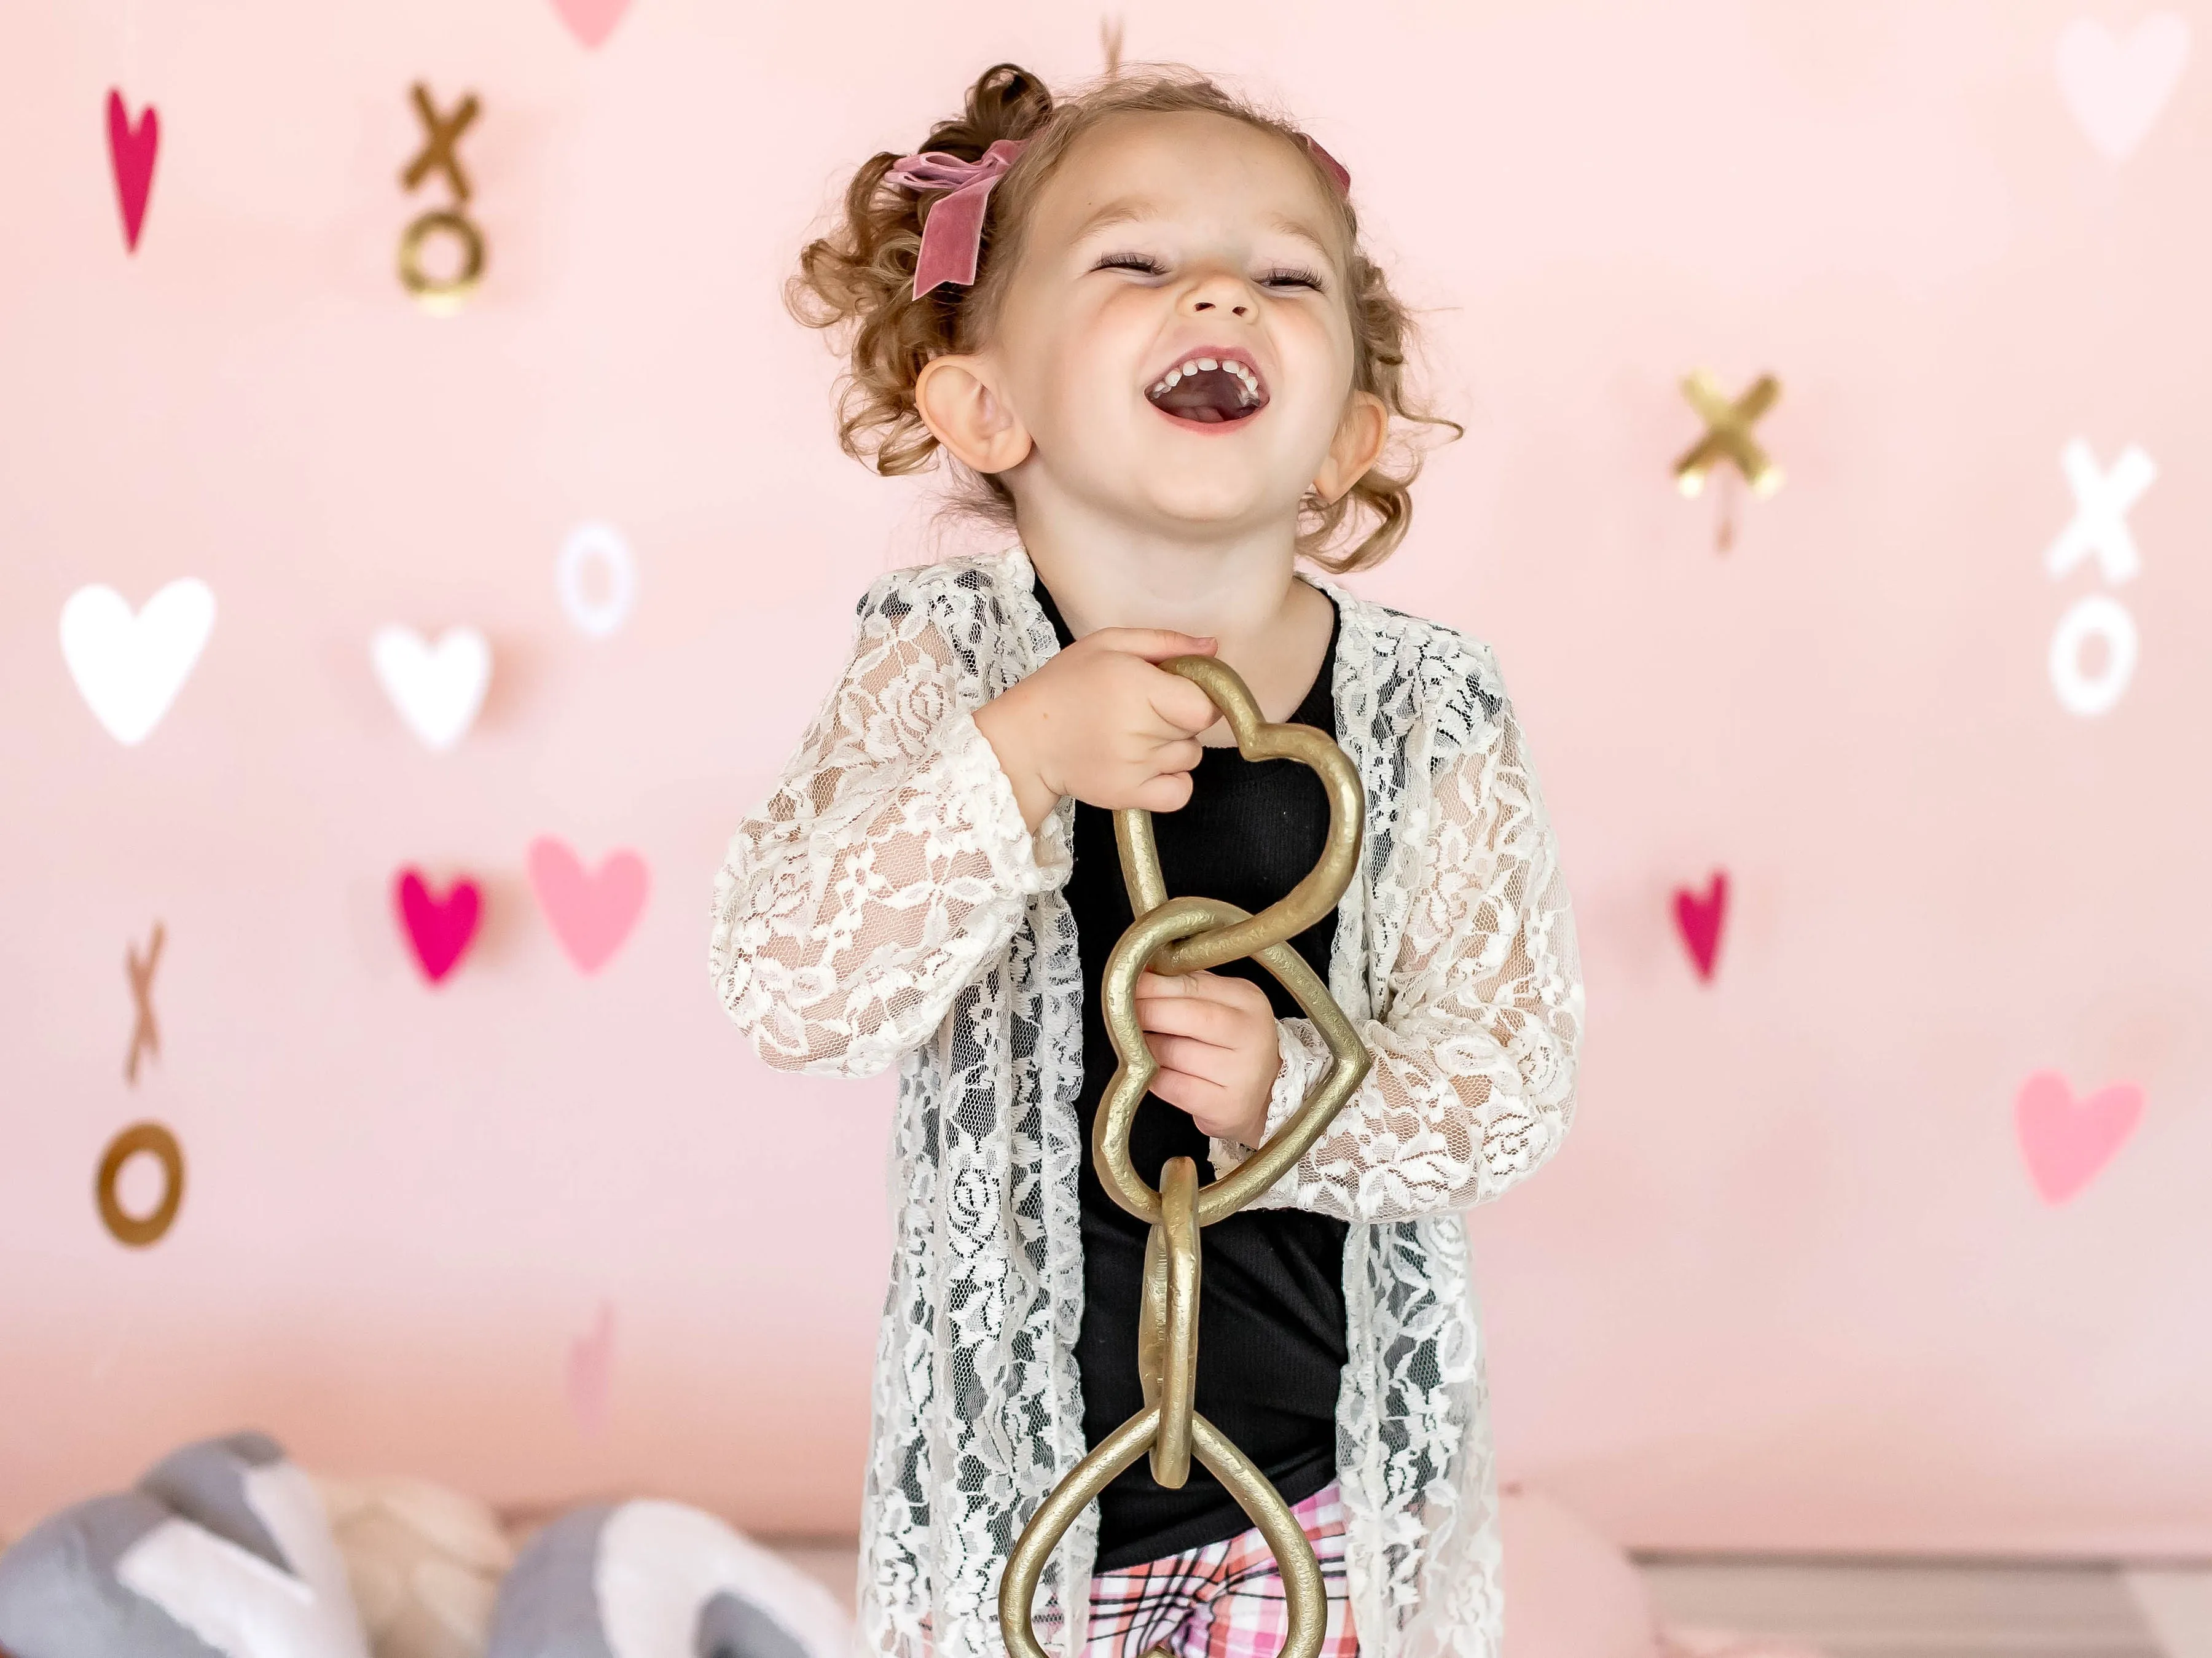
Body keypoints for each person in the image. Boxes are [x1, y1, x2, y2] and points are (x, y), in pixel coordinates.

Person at [710, 61, 1583, 1658]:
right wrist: (1017, 761)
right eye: (1134, 261)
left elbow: (1510, 1083)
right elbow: (792, 987)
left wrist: (1298, 1090)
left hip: (1320, 1511)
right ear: (987, 401)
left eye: (1284, 275)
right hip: (1020, 1527)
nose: (1217, 293)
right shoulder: (946, 663)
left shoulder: (1427, 707)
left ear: (1350, 435)